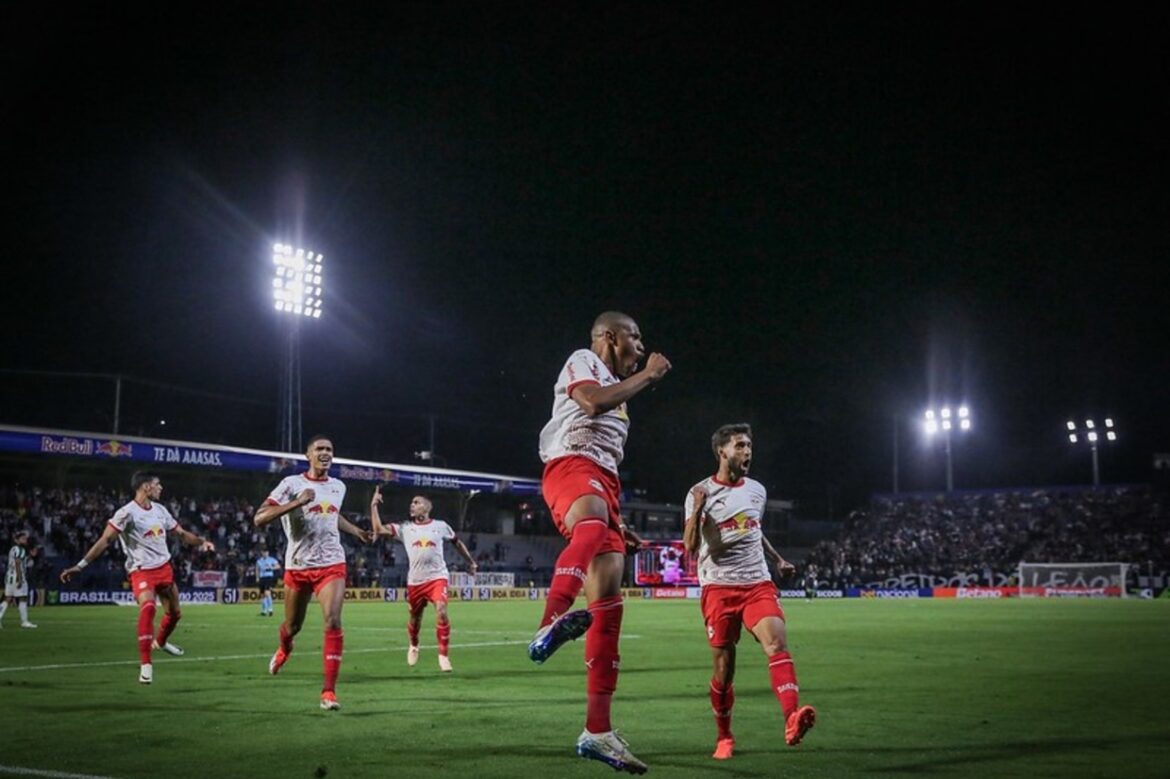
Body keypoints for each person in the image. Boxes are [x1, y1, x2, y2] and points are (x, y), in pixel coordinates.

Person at [529, 310, 671, 774]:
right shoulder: (583, 361)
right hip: (571, 466)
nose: (642, 346)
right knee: (588, 528)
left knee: (609, 608)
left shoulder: (620, 389)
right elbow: (590, 405)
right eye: (636, 336)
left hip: (603, 486)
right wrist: (650, 376)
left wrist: (618, 517)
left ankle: (597, 731)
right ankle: (548, 623)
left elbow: (607, 452)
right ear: (610, 337)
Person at [683, 423, 816, 760]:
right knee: (724, 672)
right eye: (740, 446)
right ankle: (724, 736)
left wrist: (778, 558)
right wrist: (698, 508)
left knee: (776, 642)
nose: (747, 452)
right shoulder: (698, 492)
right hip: (718, 588)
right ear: (722, 451)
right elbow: (689, 546)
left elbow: (753, 528)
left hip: (757, 583)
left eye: (749, 447)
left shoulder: (757, 490)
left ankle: (791, 718)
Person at [59, 472, 215, 684]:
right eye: (157, 484)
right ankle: (146, 665)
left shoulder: (160, 510)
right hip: (141, 571)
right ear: (145, 487)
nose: (161, 488)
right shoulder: (126, 513)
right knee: (148, 607)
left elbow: (181, 533)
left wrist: (202, 542)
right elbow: (105, 540)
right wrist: (80, 566)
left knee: (175, 615)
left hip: (164, 568)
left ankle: (160, 642)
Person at [254, 435, 372, 710]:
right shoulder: (292, 484)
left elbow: (332, 515)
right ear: (308, 455)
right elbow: (259, 517)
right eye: (319, 449)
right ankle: (285, 647)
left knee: (332, 621)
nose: (325, 453)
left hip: (332, 563)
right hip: (298, 566)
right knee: (293, 626)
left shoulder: (338, 486)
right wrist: (296, 503)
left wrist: (356, 531)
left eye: (329, 449)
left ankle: (328, 692)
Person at [370, 488, 478, 672]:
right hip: (415, 581)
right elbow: (379, 529)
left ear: (428, 507)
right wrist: (373, 506)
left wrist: (471, 562)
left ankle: (443, 656)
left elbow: (457, 543)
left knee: (442, 611)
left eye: (417, 502)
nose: (412, 505)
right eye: (412, 502)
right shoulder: (405, 528)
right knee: (415, 618)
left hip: (437, 577)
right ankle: (413, 644)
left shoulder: (441, 526)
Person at [1, 530, 37, 629]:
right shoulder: (20, 550)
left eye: (25, 538)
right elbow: (18, 563)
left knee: (7, 598)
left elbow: (20, 561)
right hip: (18, 577)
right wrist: (20, 579)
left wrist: (30, 556)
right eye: (22, 538)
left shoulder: (13, 549)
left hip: (9, 577)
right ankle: (24, 622)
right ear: (16, 540)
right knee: (23, 598)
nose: (25, 540)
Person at [255, 546, 282, 617]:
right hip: (262, 578)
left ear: (268, 553)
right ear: (262, 553)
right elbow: (257, 569)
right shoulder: (259, 561)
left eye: (266, 552)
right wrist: (257, 577)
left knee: (267, 593)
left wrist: (272, 567)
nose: (265, 553)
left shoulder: (271, 560)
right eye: (264, 552)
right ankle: (264, 611)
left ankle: (270, 609)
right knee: (262, 595)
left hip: (269, 577)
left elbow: (278, 566)